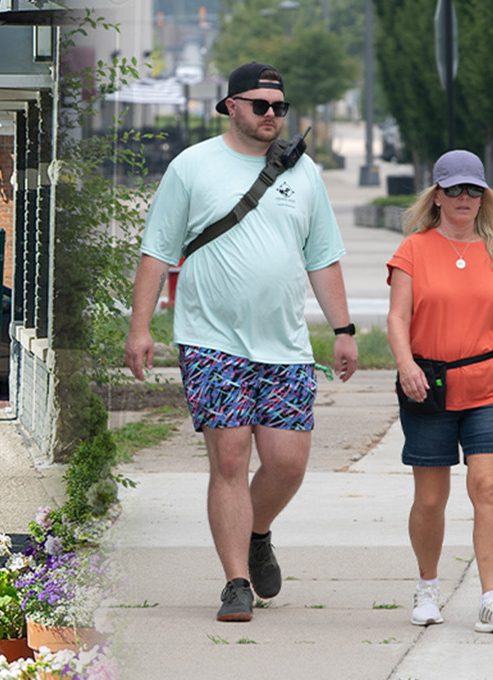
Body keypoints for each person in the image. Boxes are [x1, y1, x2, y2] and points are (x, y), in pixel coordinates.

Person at [123, 62, 358, 623]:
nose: (273, 115)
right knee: (229, 459)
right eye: (261, 105)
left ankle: (257, 532)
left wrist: (343, 330)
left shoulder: (304, 175)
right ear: (231, 106)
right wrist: (140, 328)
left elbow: (322, 258)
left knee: (288, 463)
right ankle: (235, 582)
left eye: (280, 107)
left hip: (285, 346)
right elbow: (157, 251)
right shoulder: (193, 166)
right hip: (210, 341)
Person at [388, 150, 493, 634]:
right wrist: (405, 365)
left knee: (489, 488)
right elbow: (397, 318)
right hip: (428, 387)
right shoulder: (413, 250)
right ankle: (427, 588)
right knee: (432, 499)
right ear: (436, 196)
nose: (464, 198)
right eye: (454, 190)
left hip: (489, 385)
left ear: (485, 198)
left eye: (473, 190)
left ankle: (491, 599)